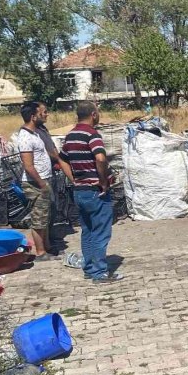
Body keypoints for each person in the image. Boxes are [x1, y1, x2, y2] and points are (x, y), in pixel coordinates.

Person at [60, 101, 122, 283]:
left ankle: (89, 269)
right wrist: (103, 181)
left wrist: (73, 179)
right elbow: (100, 158)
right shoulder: (92, 135)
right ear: (93, 114)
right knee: (101, 232)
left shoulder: (70, 136)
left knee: (87, 231)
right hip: (96, 191)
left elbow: (61, 159)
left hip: (80, 191)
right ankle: (100, 273)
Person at [17, 102, 72, 259]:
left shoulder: (36, 133)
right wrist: (41, 183)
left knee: (45, 217)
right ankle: (40, 252)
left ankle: (47, 247)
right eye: (42, 113)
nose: (46, 115)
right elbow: (28, 165)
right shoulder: (25, 137)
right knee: (39, 219)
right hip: (35, 183)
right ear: (33, 117)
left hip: (44, 179)